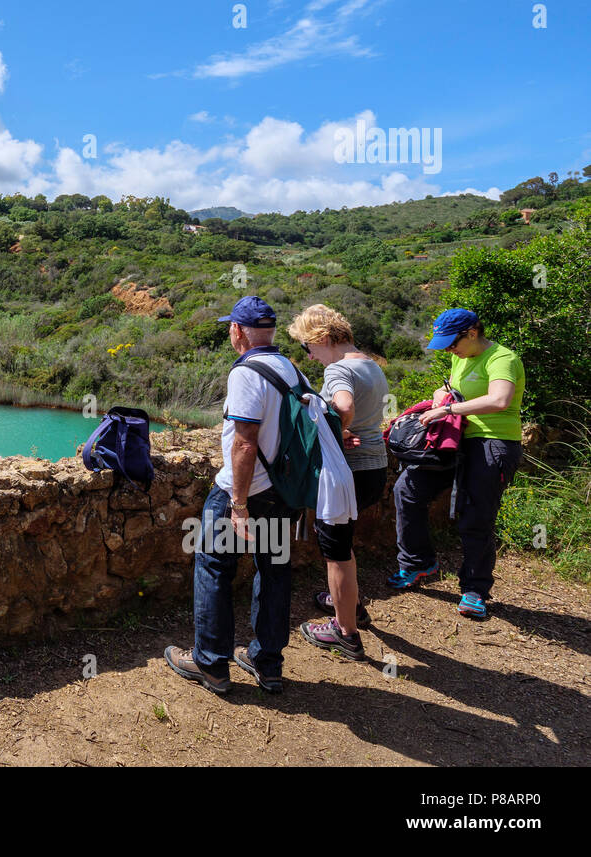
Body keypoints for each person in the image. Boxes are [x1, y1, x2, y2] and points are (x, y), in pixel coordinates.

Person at [164, 295, 300, 695]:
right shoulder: (290, 369)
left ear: (237, 330)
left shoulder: (245, 373)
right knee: (274, 572)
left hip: (244, 493)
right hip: (282, 491)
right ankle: (267, 663)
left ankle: (210, 664)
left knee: (213, 568)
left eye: (230, 326)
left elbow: (244, 442)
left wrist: (238, 505)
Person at [388, 308, 524, 620]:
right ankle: (418, 563)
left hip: (493, 442)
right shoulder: (460, 357)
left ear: (473, 332)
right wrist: (441, 397)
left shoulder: (501, 358)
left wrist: (450, 411)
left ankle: (475, 589)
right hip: (454, 440)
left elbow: (500, 399)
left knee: (475, 514)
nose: (450, 349)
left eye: (453, 343)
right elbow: (451, 388)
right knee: (408, 490)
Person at [287, 304, 390, 660]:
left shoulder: (338, 369)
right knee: (344, 544)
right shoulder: (370, 364)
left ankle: (344, 631)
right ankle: (351, 604)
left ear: (325, 339)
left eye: (307, 346)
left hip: (348, 472)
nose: (309, 355)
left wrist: (337, 432)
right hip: (375, 466)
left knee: (337, 553)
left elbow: (343, 407)